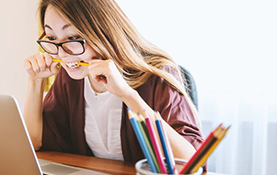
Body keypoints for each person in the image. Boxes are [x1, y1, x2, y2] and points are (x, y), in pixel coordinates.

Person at [23, 0, 204, 163]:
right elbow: (34, 142)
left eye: (73, 38)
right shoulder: (71, 78)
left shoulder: (157, 75)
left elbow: (191, 163)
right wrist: (35, 82)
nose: (61, 53)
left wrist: (127, 94)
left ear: (103, 31)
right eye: (52, 38)